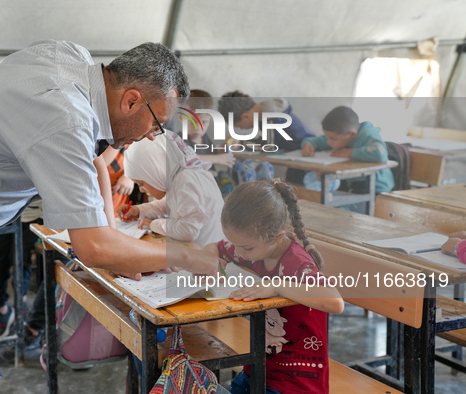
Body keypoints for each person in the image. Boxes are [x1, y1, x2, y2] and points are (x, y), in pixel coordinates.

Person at [0, 40, 220, 393]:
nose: (152, 135)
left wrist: (115, 239)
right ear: (131, 99)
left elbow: (97, 162)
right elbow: (94, 248)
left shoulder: (72, 61)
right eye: (156, 124)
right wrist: (188, 255)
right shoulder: (64, 115)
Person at [205, 180, 344, 394]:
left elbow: (335, 301)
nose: (239, 253)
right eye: (236, 245)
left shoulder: (297, 262)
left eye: (246, 248)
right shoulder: (254, 248)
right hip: (260, 367)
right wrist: (214, 262)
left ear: (277, 237)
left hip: (296, 381)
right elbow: (215, 247)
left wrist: (277, 286)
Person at [116, 131, 225, 247]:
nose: (141, 190)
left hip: (206, 258)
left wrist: (154, 224)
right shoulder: (184, 175)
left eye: (141, 183)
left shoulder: (186, 181)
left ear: (157, 171)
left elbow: (187, 231)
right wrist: (139, 210)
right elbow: (171, 204)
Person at [301, 106, 395, 194]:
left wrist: (350, 152)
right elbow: (315, 141)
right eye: (327, 137)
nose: (329, 142)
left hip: (376, 189)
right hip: (352, 186)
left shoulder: (368, 134)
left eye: (333, 139)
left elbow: (380, 154)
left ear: (352, 134)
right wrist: (308, 144)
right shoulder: (339, 135)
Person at [0, 200, 43, 339]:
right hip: (7, 213)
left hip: (35, 217)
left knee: (20, 260)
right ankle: (2, 309)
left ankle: (21, 304)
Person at [217, 91, 316, 152]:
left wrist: (242, 144)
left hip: (308, 150)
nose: (242, 129)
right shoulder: (263, 112)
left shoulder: (270, 116)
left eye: (240, 126)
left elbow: (270, 146)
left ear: (245, 116)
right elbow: (269, 140)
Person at [179, 89, 236, 169]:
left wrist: (225, 145)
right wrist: (217, 159)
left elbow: (213, 153)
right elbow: (186, 159)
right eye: (193, 121)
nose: (198, 127)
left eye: (204, 122)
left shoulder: (204, 137)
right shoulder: (178, 140)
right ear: (181, 118)